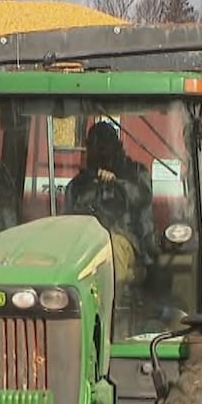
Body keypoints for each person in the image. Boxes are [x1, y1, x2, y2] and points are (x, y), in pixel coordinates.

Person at [64, 120, 156, 286]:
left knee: (111, 253)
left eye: (104, 147)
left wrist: (116, 183)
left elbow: (140, 197)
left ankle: (111, 307)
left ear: (116, 146)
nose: (100, 154)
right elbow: (68, 219)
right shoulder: (79, 184)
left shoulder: (135, 173)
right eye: (95, 148)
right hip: (86, 241)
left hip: (126, 238)